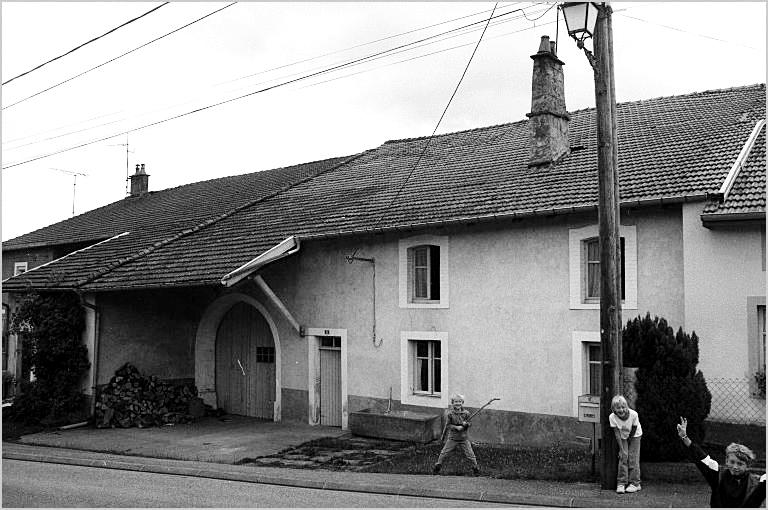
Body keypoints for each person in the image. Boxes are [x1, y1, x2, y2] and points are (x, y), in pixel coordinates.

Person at [676, 417, 766, 507]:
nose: (735, 466)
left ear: (748, 465)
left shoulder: (756, 483)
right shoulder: (718, 474)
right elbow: (700, 456)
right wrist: (684, 437)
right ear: (726, 461)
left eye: (740, 464)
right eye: (732, 462)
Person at [433, 393, 480, 476]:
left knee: (470, 455)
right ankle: (437, 466)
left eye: (460, 401)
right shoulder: (450, 414)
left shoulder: (466, 413)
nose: (458, 403)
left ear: (462, 402)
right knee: (444, 453)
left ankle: (475, 468)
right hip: (452, 439)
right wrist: (456, 427)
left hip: (464, 439)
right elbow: (448, 425)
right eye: (456, 401)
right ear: (452, 402)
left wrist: (466, 424)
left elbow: (470, 423)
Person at [609, 395, 642, 494]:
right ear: (613, 408)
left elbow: (633, 430)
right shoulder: (612, 417)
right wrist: (622, 449)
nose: (621, 410)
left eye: (623, 407)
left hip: (634, 436)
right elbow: (617, 434)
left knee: (632, 458)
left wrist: (628, 442)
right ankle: (621, 483)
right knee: (623, 457)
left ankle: (635, 483)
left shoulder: (634, 414)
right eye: (618, 408)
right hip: (623, 436)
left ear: (626, 406)